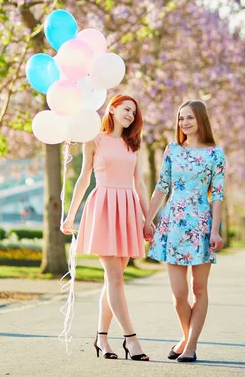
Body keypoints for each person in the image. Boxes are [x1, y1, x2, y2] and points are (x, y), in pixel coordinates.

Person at [61, 94, 152, 361]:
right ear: (111, 109)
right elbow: (83, 178)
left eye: (134, 113)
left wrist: (148, 218)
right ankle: (131, 339)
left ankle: (101, 339)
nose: (130, 115)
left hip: (127, 208)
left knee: (113, 278)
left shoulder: (133, 143)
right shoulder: (94, 139)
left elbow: (141, 184)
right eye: (126, 109)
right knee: (114, 277)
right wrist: (70, 216)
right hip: (103, 207)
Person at [144, 100, 226, 363]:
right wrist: (149, 218)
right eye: (181, 119)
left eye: (189, 118)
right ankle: (185, 337)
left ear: (201, 119)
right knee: (179, 295)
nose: (184, 123)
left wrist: (215, 231)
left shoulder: (215, 154)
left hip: (201, 224)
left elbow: (218, 195)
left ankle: (190, 346)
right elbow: (162, 187)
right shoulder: (172, 150)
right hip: (174, 225)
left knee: (199, 289)